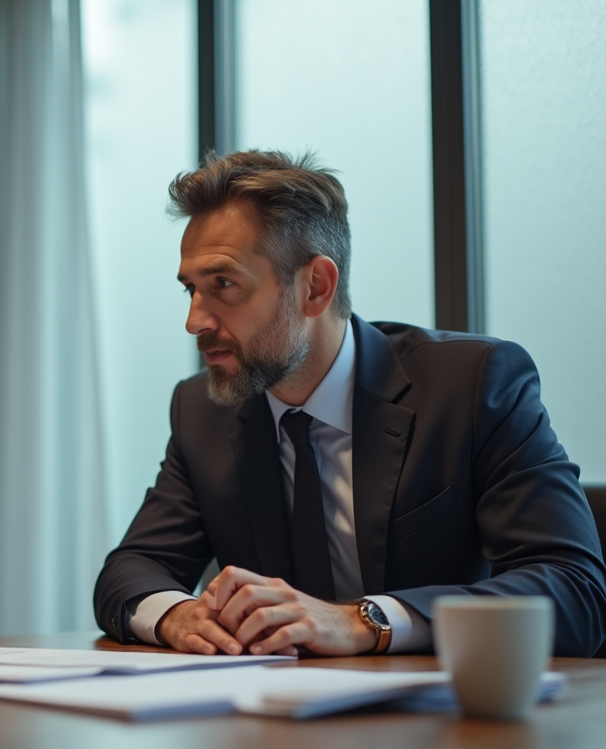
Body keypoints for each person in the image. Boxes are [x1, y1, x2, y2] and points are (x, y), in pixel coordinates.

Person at [94, 150, 606, 658]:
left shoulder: (471, 385)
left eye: (223, 285)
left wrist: (366, 621)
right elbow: (131, 570)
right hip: (275, 723)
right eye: (191, 290)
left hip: (452, 722)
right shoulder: (201, 410)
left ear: (315, 286)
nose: (195, 322)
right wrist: (178, 616)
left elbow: (575, 591)